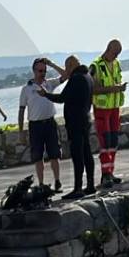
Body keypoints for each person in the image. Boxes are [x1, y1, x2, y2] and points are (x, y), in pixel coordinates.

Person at [38, 56, 96, 199]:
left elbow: (62, 98)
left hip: (76, 122)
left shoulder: (76, 78)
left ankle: (78, 188)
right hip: (86, 118)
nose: (66, 71)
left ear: (71, 65)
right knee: (87, 153)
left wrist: (46, 95)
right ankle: (90, 185)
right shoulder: (88, 76)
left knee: (78, 155)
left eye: (67, 67)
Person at [19, 58, 65, 190]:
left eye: (44, 71)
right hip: (35, 126)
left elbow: (66, 75)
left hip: (50, 123)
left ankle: (57, 181)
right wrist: (21, 132)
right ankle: (41, 183)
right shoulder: (26, 89)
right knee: (38, 156)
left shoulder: (50, 84)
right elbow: (21, 111)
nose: (42, 73)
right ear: (34, 71)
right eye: (40, 70)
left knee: (54, 155)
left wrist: (51, 64)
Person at [90, 40, 128, 188]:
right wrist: (115, 88)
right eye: (115, 53)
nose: (116, 56)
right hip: (101, 108)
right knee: (105, 142)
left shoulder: (116, 63)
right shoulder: (95, 65)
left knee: (113, 142)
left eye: (118, 54)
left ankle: (110, 171)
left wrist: (119, 89)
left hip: (114, 108)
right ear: (108, 49)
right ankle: (105, 175)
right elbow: (93, 89)